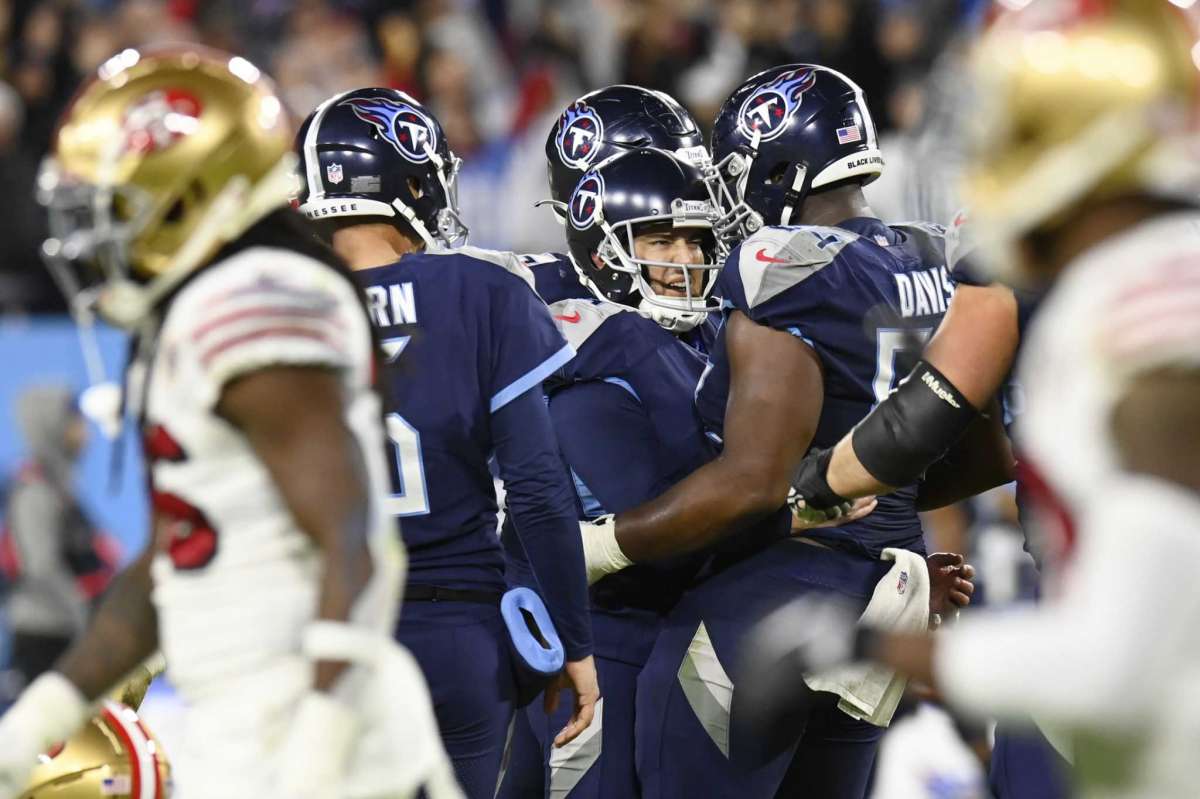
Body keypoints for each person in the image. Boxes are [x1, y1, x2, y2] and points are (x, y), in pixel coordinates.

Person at [742, 5, 1200, 797]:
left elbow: (1118, 659)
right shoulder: (1123, 284)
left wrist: (860, 648)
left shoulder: (1149, 330)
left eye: (1017, 120)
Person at [0, 47, 458, 798]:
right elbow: (178, 552)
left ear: (189, 194)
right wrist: (42, 714)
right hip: (242, 730)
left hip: (321, 737)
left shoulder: (256, 298)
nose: (97, 234)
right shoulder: (203, 306)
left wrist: (322, 738)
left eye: (117, 202)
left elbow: (356, 539)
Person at [575, 64, 971, 798]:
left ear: (776, 163)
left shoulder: (780, 262)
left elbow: (750, 480)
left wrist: (599, 544)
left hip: (771, 596)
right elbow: (963, 446)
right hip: (888, 587)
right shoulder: (924, 257)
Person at [293, 86, 598, 799]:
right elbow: (537, 488)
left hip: (329, 631)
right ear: (409, 181)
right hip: (458, 630)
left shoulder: (277, 304)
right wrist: (575, 642)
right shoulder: (478, 289)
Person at [498, 146, 725, 799]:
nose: (684, 260)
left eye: (695, 240)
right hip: (598, 633)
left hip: (663, 630)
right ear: (603, 252)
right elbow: (655, 522)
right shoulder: (598, 350)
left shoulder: (706, 338)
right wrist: (789, 508)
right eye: (661, 240)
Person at [1, 385, 116, 693]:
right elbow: (39, 566)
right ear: (53, 427)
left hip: (64, 631)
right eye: (76, 423)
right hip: (43, 637)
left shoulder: (60, 484)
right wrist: (82, 613)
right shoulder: (35, 490)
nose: (86, 433)